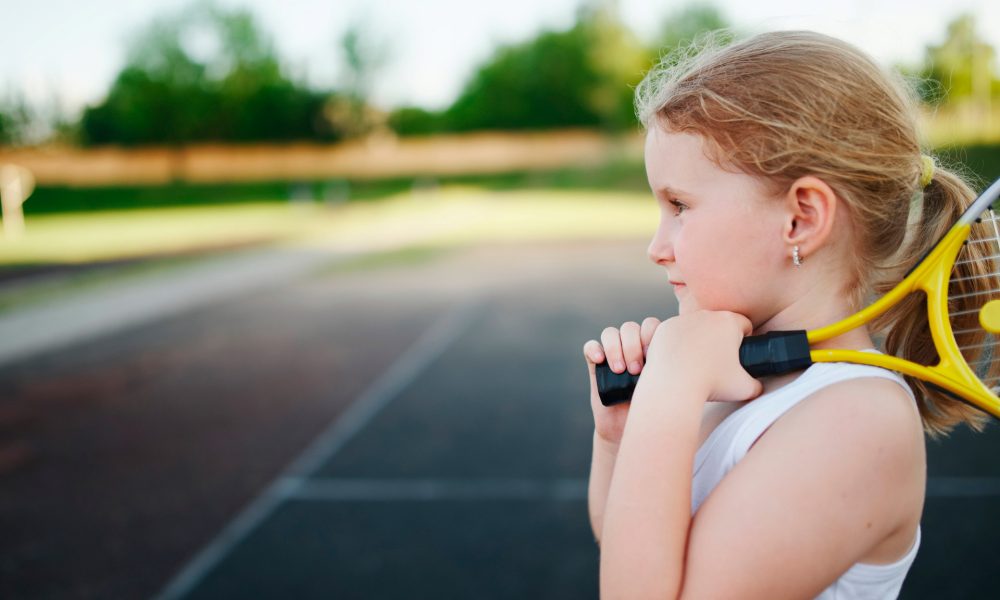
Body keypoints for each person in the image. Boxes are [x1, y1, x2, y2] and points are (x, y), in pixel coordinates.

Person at [582, 30, 991, 599]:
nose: (658, 246)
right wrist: (621, 438)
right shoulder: (740, 371)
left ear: (800, 219)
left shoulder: (859, 420)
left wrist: (669, 393)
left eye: (679, 206)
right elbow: (628, 544)